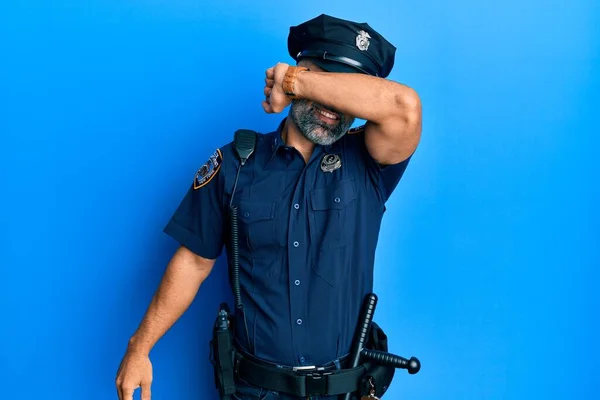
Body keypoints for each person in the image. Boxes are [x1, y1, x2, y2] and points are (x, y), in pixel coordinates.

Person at [115, 13, 422, 400]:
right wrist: (139, 348)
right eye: (320, 79)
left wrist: (294, 81)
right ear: (299, 69)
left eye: (339, 90)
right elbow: (193, 262)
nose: (332, 106)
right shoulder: (235, 164)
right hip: (254, 390)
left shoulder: (371, 163)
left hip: (343, 390)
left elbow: (405, 106)